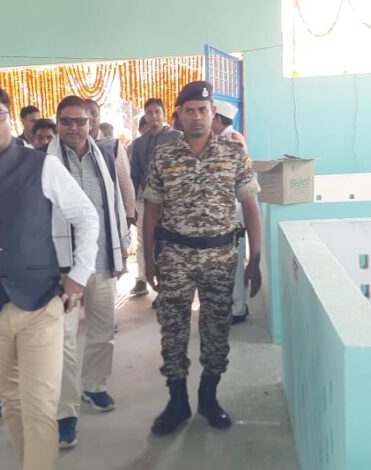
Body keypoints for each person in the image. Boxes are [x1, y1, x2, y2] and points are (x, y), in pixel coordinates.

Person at [0, 79, 99, 470]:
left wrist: (78, 275)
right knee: (12, 402)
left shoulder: (42, 165)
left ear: (9, 118)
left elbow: (86, 216)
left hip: (39, 303)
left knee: (40, 406)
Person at [142, 81, 262, 435]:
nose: (197, 116)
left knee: (216, 329)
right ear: (179, 115)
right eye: (190, 110)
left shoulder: (234, 153)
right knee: (173, 329)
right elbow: (152, 210)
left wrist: (254, 259)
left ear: (213, 114)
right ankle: (177, 400)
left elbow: (250, 207)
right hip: (175, 257)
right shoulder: (164, 155)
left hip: (220, 257)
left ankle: (209, 396)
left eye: (203, 110)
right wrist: (148, 259)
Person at [49, 96, 130, 448]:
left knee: (102, 331)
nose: (73, 127)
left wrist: (122, 249)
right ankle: (66, 411)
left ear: (91, 123)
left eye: (79, 121)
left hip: (102, 260)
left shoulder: (106, 156)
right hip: (63, 269)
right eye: (66, 121)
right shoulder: (43, 162)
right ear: (57, 124)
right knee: (62, 340)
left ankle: (94, 386)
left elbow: (115, 204)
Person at [129, 98, 182, 296]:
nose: (153, 116)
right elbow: (134, 175)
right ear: (145, 116)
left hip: (171, 202)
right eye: (149, 113)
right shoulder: (138, 144)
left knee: (169, 242)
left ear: (163, 113)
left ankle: (167, 288)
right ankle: (142, 280)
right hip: (145, 201)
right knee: (144, 241)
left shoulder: (177, 137)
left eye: (157, 112)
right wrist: (131, 205)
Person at [211, 99, 251, 324]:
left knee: (234, 264)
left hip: (234, 212)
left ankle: (238, 308)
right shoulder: (224, 138)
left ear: (217, 119)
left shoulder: (233, 140)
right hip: (226, 212)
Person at [85, 99, 136, 227]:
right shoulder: (73, 146)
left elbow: (125, 181)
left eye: (94, 113)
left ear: (100, 116)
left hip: (110, 213)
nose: (90, 117)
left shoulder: (113, 146)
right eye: (86, 113)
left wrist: (130, 214)